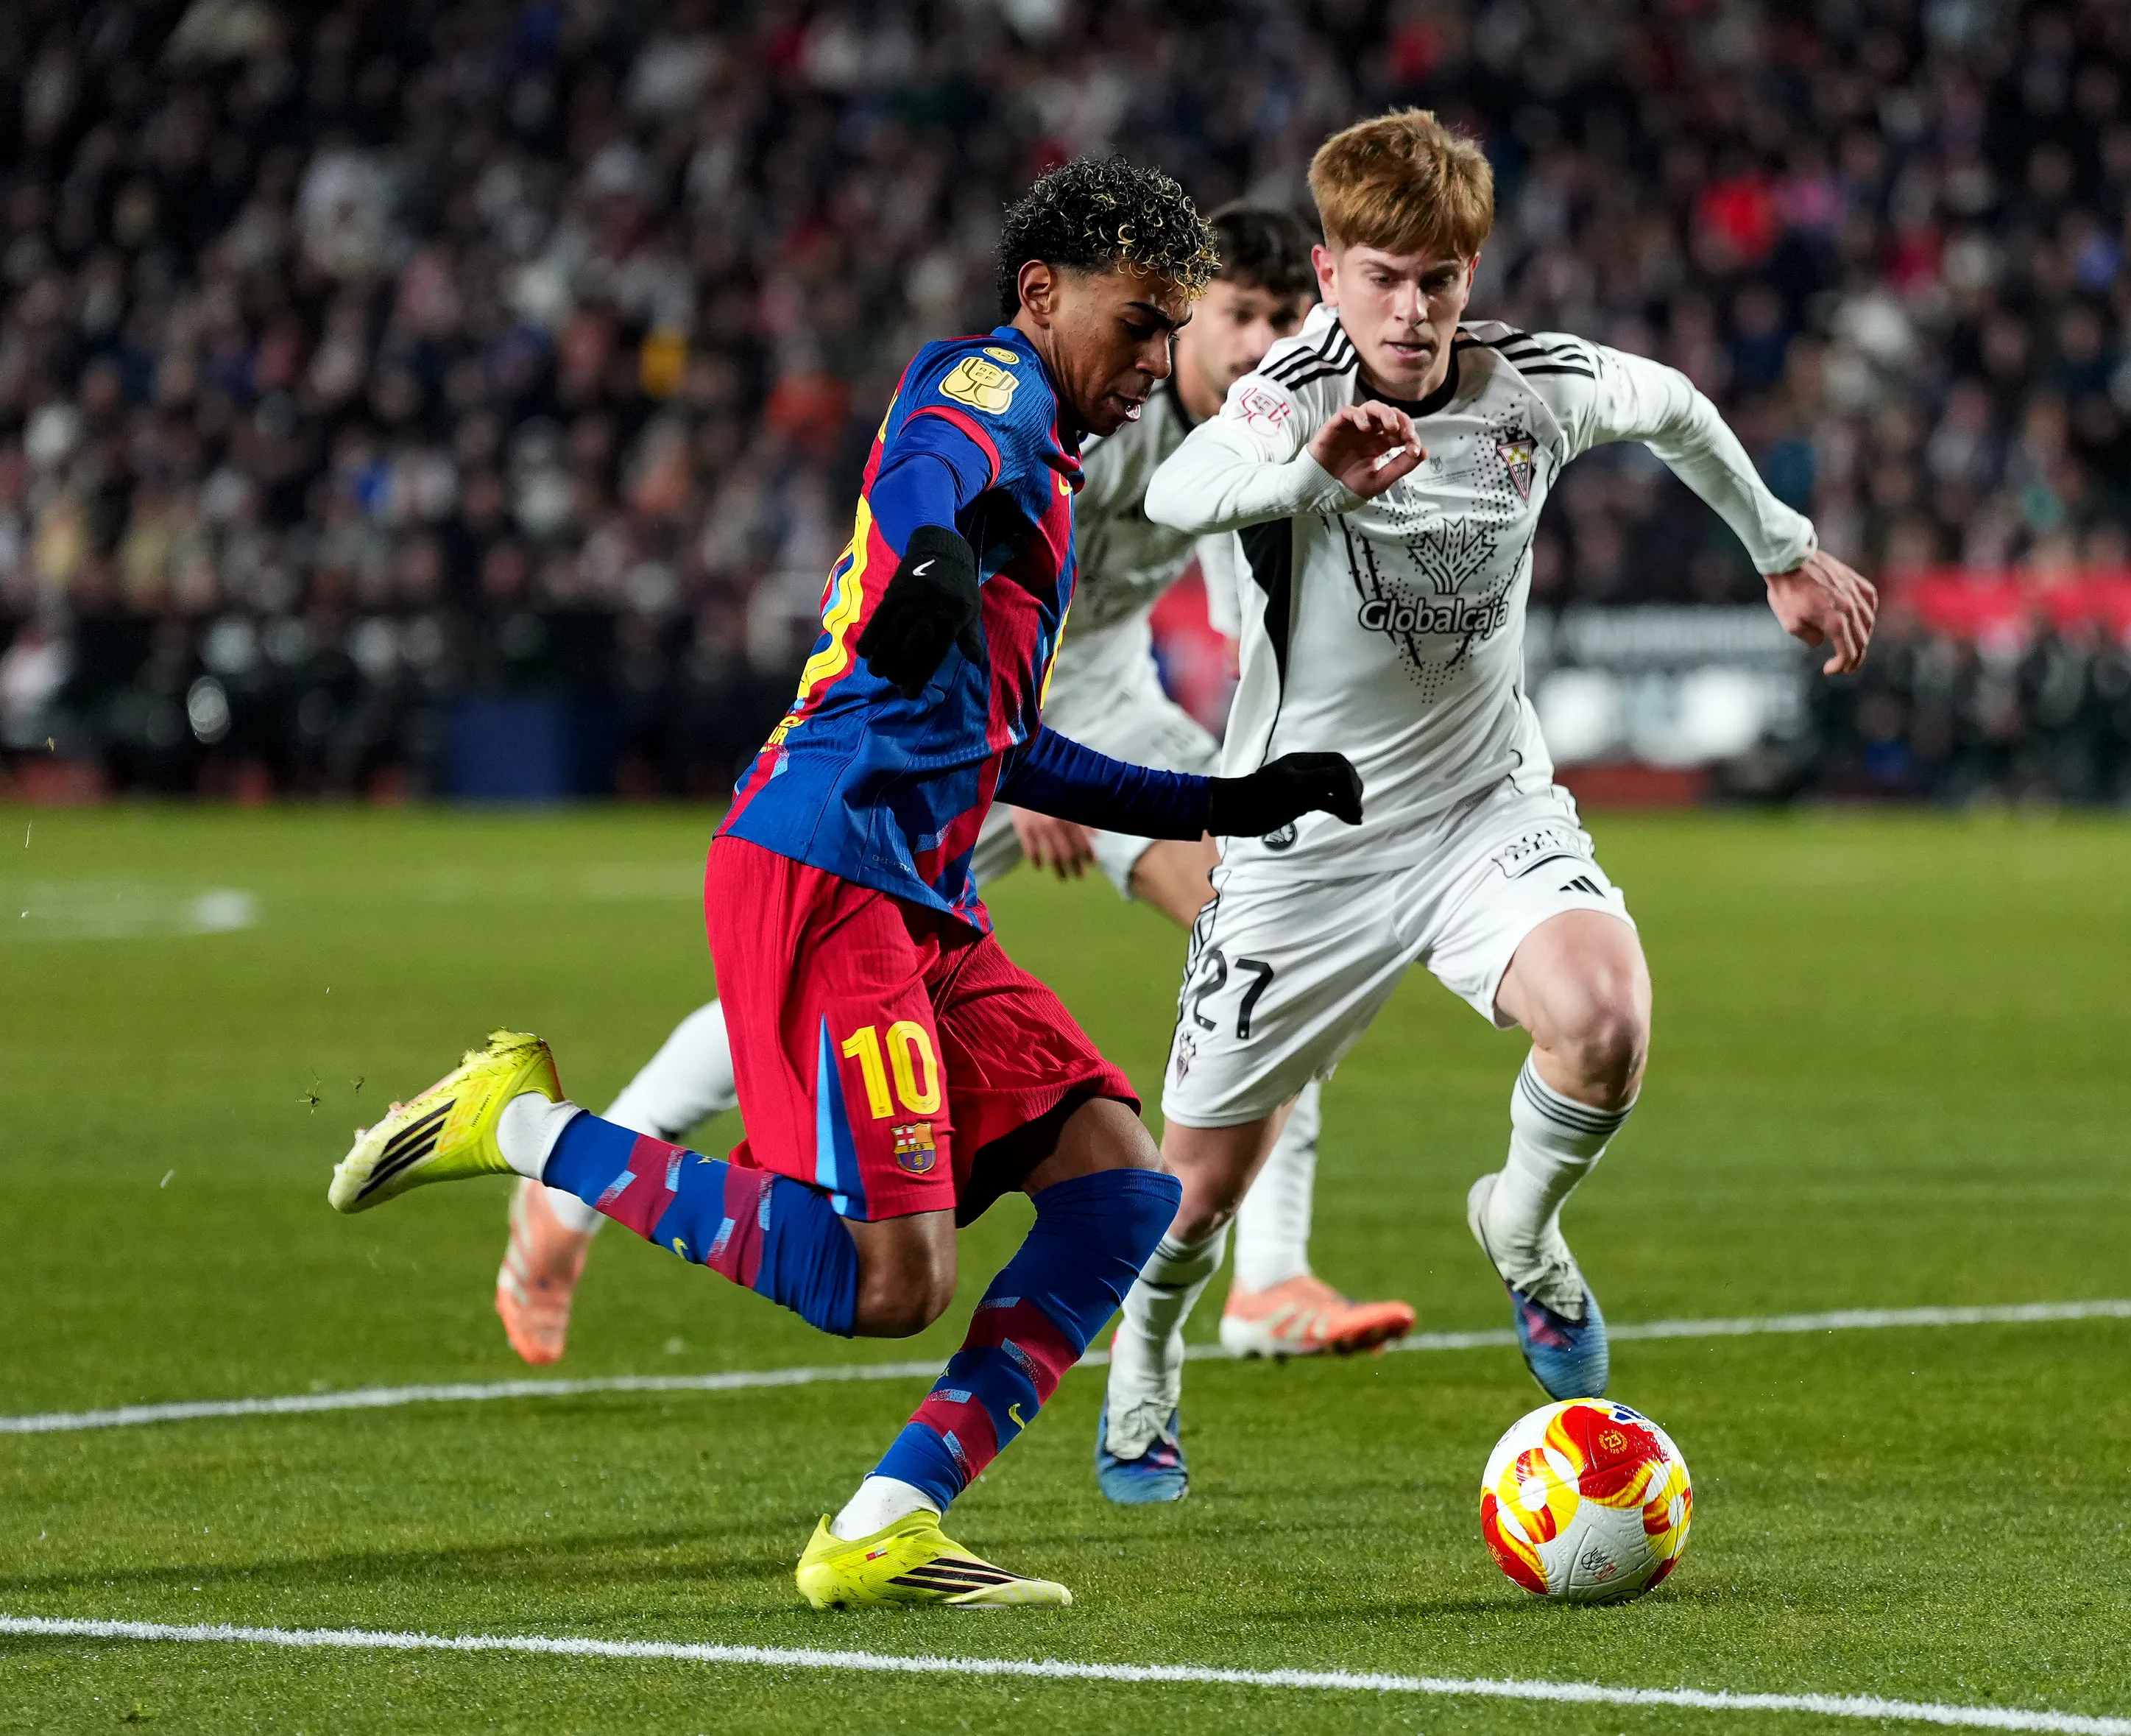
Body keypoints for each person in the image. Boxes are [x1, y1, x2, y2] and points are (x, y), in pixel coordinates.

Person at [327, 159, 1364, 1608]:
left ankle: (886, 1521)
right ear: (1041, 296)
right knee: (891, 1284)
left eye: (1166, 330)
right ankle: (526, 1132)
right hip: (820, 869)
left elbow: (1015, 745)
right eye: (1139, 326)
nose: (1151, 361)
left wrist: (1227, 801)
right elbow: (920, 476)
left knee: (1123, 1191)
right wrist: (930, 562)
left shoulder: (1058, 476)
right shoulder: (989, 390)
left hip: (923, 895)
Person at [1095, 111, 1877, 1501]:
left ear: (1469, 275)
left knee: (1607, 1019)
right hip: (1301, 843)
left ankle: (1518, 1228)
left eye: (1440, 278)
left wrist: (1785, 551)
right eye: (1384, 276)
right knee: (1194, 1189)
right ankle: (1146, 1348)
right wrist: (1309, 472)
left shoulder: (1535, 384)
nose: (1412, 309)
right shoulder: (1287, 393)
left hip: (1479, 809)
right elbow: (1182, 479)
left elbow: (1677, 407)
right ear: (1329, 273)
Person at [491, 208, 1418, 1380]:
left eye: (1285, 319)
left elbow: (1249, 596)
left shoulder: (1248, 426)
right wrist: (967, 635)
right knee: (809, 990)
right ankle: (571, 1192)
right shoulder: (1073, 400)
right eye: (1238, 314)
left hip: (1070, 718)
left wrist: (1236, 779)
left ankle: (1269, 1274)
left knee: (1274, 931)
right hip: (965, 718)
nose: (1258, 341)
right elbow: (945, 460)